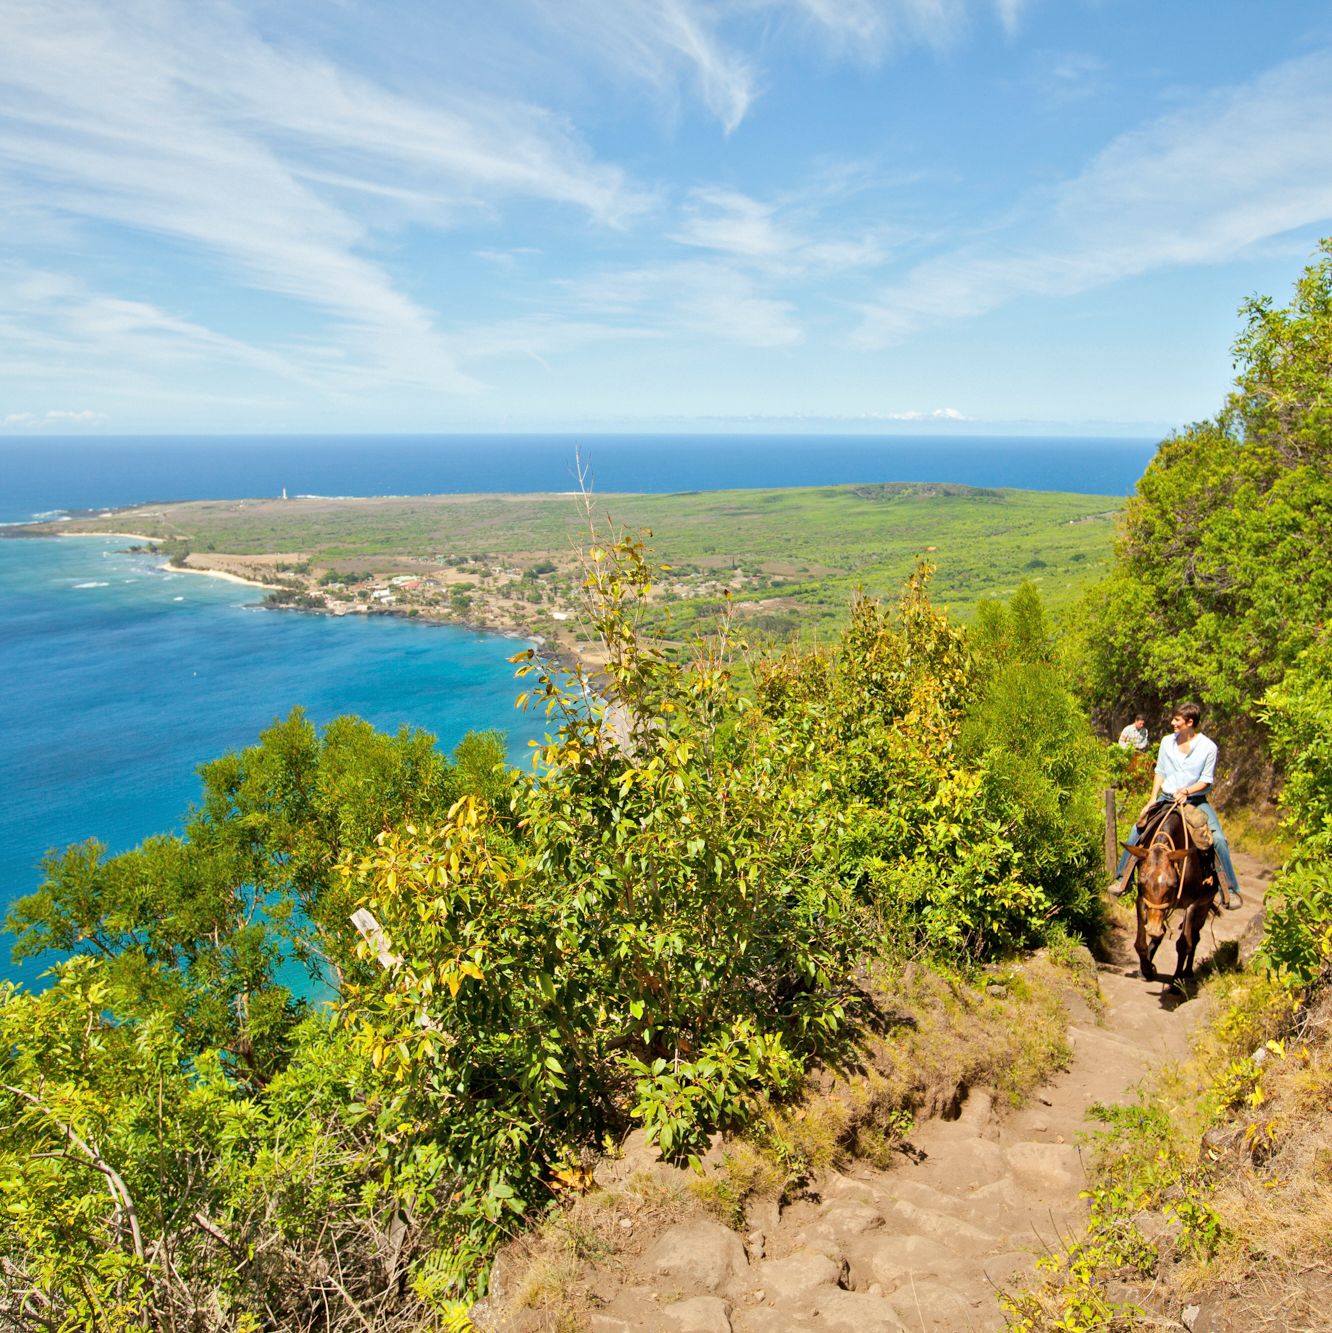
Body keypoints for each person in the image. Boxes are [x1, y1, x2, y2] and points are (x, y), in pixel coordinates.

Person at [1108, 701, 1242, 909]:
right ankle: (1123, 879)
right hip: (1166, 798)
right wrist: (1153, 799)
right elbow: (1160, 771)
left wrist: (1187, 791)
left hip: (1194, 802)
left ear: (1190, 722)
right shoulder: (1166, 742)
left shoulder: (1208, 747)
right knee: (1137, 830)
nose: (1173, 723)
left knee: (1218, 839)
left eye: (1177, 720)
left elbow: (1206, 780)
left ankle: (1230, 889)